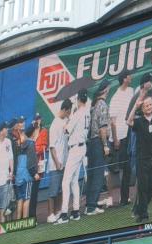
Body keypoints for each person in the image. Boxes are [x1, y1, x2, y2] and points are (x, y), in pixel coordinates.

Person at [127, 95, 152, 222]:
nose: (148, 107)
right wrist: (135, 107)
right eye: (146, 106)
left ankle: (139, 208)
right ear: (142, 108)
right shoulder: (138, 121)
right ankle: (143, 214)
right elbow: (128, 121)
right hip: (142, 158)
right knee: (142, 186)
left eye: (150, 105)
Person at [55, 89, 90, 224]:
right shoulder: (86, 111)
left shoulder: (78, 113)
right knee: (74, 180)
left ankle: (64, 214)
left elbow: (67, 130)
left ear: (79, 100)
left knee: (66, 181)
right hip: (82, 147)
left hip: (76, 148)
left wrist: (67, 123)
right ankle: (75, 211)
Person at [105, 70, 134, 207]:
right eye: (129, 76)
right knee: (113, 169)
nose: (131, 77)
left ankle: (125, 198)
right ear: (124, 79)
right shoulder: (115, 97)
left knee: (126, 167)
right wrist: (115, 139)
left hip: (129, 134)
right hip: (118, 138)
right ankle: (110, 198)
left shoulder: (131, 91)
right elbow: (113, 122)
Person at [85, 80, 111, 215]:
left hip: (91, 143)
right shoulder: (102, 104)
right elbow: (103, 127)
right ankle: (92, 206)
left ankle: (89, 204)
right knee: (98, 174)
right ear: (106, 89)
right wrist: (105, 145)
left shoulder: (94, 104)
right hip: (98, 142)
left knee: (92, 174)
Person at [47, 99, 72, 223]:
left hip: (65, 161)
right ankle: (50, 214)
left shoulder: (66, 121)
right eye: (69, 111)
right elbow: (52, 147)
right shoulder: (54, 124)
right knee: (53, 190)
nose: (70, 113)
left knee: (62, 188)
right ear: (65, 110)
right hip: (55, 163)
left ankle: (58, 211)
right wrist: (57, 162)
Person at [13, 128, 39, 219]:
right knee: (27, 198)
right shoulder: (31, 144)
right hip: (26, 176)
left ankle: (18, 220)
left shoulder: (18, 145)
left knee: (20, 199)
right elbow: (31, 161)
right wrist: (34, 173)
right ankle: (25, 221)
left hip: (18, 176)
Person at [26, 114, 48, 218]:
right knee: (27, 192)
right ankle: (26, 216)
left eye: (39, 119)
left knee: (34, 191)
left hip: (38, 164)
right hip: (29, 164)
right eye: (36, 120)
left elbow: (43, 146)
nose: (38, 121)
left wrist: (34, 149)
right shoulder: (30, 131)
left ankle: (32, 215)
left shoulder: (43, 131)